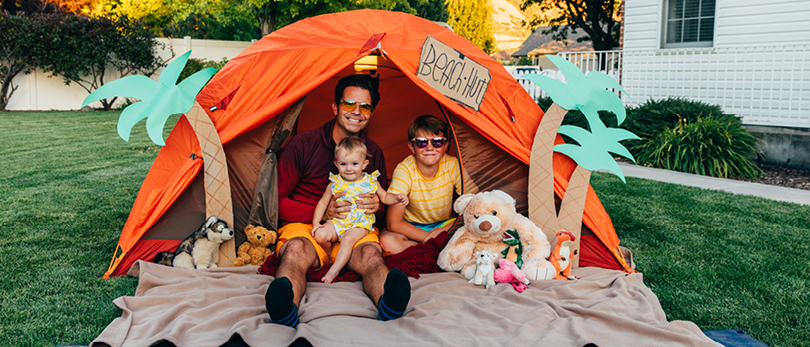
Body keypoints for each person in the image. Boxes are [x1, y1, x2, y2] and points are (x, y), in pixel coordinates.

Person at [266, 74, 411, 328]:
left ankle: (389, 304)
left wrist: (377, 206)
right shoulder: (302, 144)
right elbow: (276, 202)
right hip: (312, 228)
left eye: (365, 106)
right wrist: (321, 213)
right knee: (295, 250)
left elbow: (381, 203)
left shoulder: (373, 152)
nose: (357, 112)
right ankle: (285, 309)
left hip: (355, 227)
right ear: (335, 107)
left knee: (371, 253)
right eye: (349, 104)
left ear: (371, 113)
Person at [311, 137, 408, 284]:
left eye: (354, 164)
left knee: (348, 239)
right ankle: (331, 256)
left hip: (359, 224)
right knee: (319, 235)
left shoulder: (370, 181)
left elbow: (385, 197)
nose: (349, 168)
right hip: (338, 222)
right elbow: (323, 203)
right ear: (336, 164)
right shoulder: (335, 183)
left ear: (364, 164)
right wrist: (316, 222)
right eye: (343, 164)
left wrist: (397, 198)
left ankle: (335, 270)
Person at [379, 115, 478, 255]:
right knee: (387, 241)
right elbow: (393, 223)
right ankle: (437, 251)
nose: (430, 148)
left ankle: (426, 252)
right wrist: (429, 238)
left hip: (443, 225)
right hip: (411, 227)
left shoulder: (452, 165)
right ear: (412, 147)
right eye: (421, 142)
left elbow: (475, 203)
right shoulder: (404, 169)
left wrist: (442, 231)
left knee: (476, 228)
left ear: (445, 146)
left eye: (437, 142)